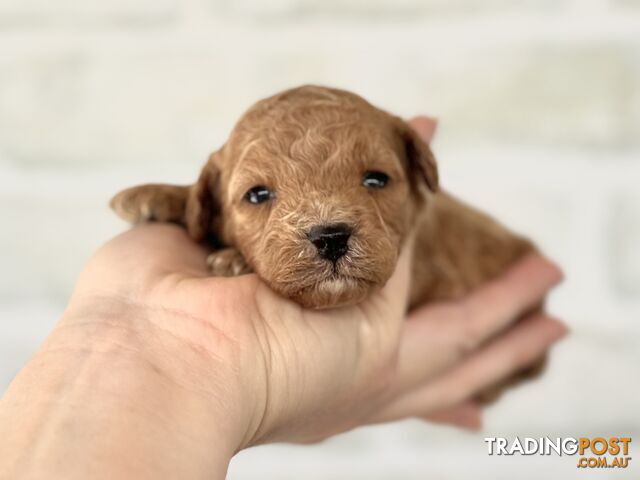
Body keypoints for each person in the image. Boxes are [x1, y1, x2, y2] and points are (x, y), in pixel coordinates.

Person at [0, 117, 565, 479]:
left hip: (500, 327)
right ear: (211, 206)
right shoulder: (214, 215)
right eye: (260, 192)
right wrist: (154, 352)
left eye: (372, 180)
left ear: (419, 171)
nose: (328, 222)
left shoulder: (435, 224)